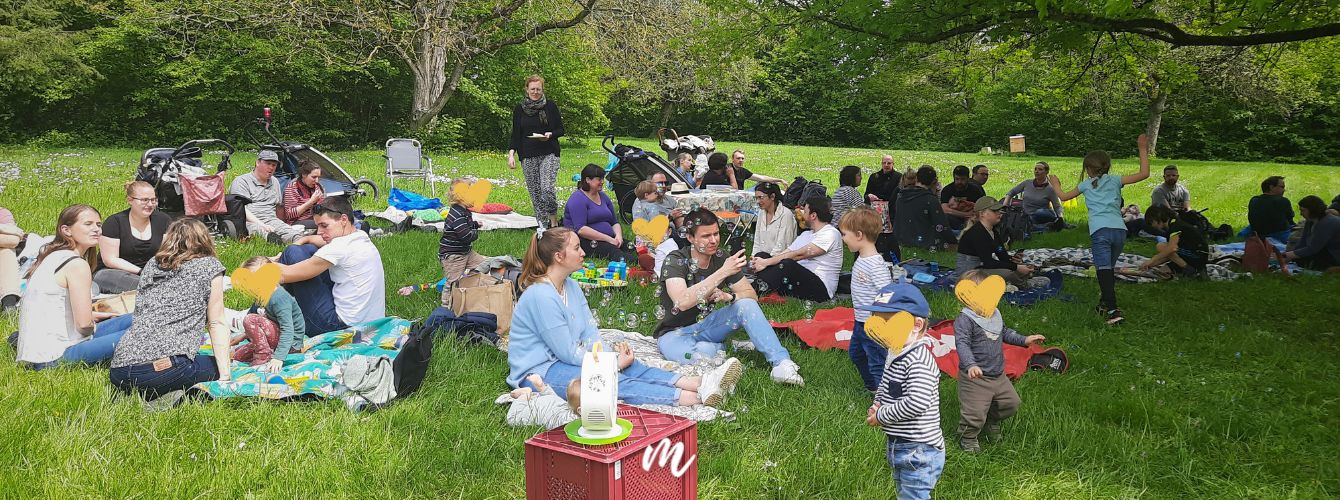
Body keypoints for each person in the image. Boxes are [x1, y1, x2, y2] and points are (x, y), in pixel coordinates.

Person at [508, 226, 741, 407]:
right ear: (559, 256)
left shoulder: (570, 286)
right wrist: (610, 363)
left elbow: (589, 331)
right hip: (540, 372)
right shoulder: (541, 296)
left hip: (562, 361)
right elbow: (567, 352)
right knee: (605, 379)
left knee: (628, 365)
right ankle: (693, 398)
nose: (583, 252)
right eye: (577, 248)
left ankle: (700, 383)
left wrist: (609, 355)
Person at [655, 210, 804, 385]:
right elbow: (681, 302)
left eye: (716, 233)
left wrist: (730, 296)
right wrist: (723, 272)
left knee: (745, 305)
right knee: (704, 353)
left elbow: (751, 296)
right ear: (690, 238)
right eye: (706, 236)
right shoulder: (675, 260)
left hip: (706, 325)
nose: (713, 240)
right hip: (674, 333)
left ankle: (781, 364)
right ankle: (729, 346)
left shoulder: (721, 257)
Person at [109, 218, 231, 400]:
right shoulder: (210, 266)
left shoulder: (152, 264)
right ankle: (167, 395)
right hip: (167, 369)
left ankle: (149, 394)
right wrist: (225, 375)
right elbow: (216, 322)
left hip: (119, 371)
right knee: (215, 365)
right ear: (205, 239)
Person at [16, 205, 134, 369]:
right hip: (56, 356)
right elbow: (84, 326)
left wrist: (92, 315)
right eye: (88, 224)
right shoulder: (76, 265)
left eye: (98, 225)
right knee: (146, 331)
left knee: (138, 318)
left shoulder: (52, 256)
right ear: (66, 230)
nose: (96, 230)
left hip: (38, 353)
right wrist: (91, 321)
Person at [1050, 134, 1151, 325]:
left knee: (1103, 271)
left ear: (1088, 168)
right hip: (1120, 231)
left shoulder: (1085, 184)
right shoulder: (1115, 180)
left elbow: (1063, 197)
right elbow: (1144, 173)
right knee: (1108, 270)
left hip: (1100, 232)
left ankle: (1113, 311)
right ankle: (1103, 304)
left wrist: (1056, 184)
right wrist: (1142, 149)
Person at [862, 280, 943, 499]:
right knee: (904, 492)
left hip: (919, 449)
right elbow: (887, 382)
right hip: (901, 442)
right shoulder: (896, 350)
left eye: (888, 321)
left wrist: (882, 415)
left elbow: (916, 403)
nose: (880, 327)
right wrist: (877, 403)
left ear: (916, 324)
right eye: (878, 320)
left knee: (913, 495)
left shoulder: (918, 361)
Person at [952, 270, 1046, 453]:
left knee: (1010, 403)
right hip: (975, 378)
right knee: (974, 413)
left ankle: (992, 420)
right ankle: (968, 437)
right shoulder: (965, 319)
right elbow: (962, 344)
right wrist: (971, 365)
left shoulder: (994, 314)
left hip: (998, 375)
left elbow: (1005, 332)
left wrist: (1024, 340)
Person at [275, 196, 386, 335]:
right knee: (308, 249)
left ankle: (257, 313)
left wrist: (259, 264)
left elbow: (284, 274)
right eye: (318, 226)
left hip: (337, 328)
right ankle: (274, 312)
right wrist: (305, 239)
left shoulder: (339, 247)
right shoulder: (359, 236)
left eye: (324, 225)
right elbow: (317, 241)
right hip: (370, 324)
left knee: (292, 253)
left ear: (343, 219)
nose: (320, 232)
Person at [751, 197, 843, 302]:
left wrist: (766, 263)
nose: (802, 214)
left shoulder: (831, 233)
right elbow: (786, 253)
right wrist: (763, 261)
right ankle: (763, 288)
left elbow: (799, 255)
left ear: (813, 215)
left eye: (805, 211)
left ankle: (751, 290)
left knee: (787, 264)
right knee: (762, 255)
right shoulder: (806, 234)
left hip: (820, 289)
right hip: (798, 281)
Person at [841, 207, 893, 392]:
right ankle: (872, 387)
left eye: (844, 234)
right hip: (860, 321)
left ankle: (884, 402)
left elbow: (887, 293)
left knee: (878, 362)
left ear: (859, 235)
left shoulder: (875, 264)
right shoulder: (862, 259)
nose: (843, 238)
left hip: (874, 324)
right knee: (856, 354)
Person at [508, 75, 566, 229]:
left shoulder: (550, 106)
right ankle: (542, 226)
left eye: (538, 89)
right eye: (532, 89)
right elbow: (516, 134)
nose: (535, 92)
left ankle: (553, 221)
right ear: (527, 90)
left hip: (549, 152)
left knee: (546, 188)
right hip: (527, 154)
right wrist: (511, 154)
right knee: (535, 193)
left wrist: (550, 134)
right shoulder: (519, 109)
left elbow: (561, 129)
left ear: (542, 90)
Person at [95, 181, 173, 293]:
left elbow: (168, 252)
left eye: (153, 200)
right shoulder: (115, 222)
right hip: (114, 273)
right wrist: (142, 272)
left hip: (152, 274)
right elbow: (110, 260)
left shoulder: (163, 220)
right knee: (146, 285)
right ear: (130, 200)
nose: (150, 204)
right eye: (144, 200)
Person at [955, 196, 1049, 289]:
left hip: (981, 268)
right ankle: (1024, 285)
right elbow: (988, 262)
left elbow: (1002, 255)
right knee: (1008, 273)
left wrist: (1013, 259)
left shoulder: (993, 231)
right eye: (994, 211)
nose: (999, 213)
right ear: (982, 213)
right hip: (969, 273)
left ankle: (1011, 283)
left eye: (999, 210)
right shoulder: (976, 233)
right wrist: (1016, 267)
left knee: (1016, 269)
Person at [230, 256, 306, 372]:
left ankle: (264, 355)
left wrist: (278, 358)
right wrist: (243, 336)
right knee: (237, 355)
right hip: (275, 338)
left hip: (290, 344)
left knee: (250, 319)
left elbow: (288, 329)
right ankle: (264, 351)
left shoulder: (279, 298)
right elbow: (268, 321)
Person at [230, 150, 304, 245]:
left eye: (274, 165)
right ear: (257, 162)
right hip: (249, 221)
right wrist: (262, 225)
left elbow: (278, 207)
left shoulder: (275, 181)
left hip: (271, 220)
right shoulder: (242, 181)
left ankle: (299, 243)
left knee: (294, 235)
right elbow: (241, 209)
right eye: (268, 163)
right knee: (261, 233)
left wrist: (283, 224)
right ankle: (273, 240)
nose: (271, 168)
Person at [562, 163, 632, 261]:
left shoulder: (603, 196)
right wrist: (609, 239)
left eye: (602, 179)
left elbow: (614, 222)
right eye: (599, 179)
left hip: (609, 238)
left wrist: (618, 236)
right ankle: (641, 264)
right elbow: (581, 229)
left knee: (632, 247)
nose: (602, 182)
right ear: (588, 180)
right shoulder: (577, 199)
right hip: (586, 241)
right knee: (616, 254)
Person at [438, 185, 490, 301]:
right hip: (453, 256)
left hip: (465, 252)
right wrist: (475, 232)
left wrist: (475, 224)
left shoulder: (463, 211)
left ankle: (468, 287)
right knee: (452, 283)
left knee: (483, 265)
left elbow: (465, 225)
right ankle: (446, 307)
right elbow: (466, 236)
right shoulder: (457, 215)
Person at [894, 166, 956, 250]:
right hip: (925, 242)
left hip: (902, 239)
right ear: (934, 181)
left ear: (916, 178)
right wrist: (954, 241)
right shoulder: (930, 199)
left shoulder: (901, 196)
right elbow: (941, 225)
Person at [1139, 206, 1209, 278]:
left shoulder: (1175, 227)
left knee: (1161, 246)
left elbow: (1172, 249)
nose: (1153, 226)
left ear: (1158, 218)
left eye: (1152, 222)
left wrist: (1152, 259)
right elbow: (1171, 255)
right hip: (1190, 255)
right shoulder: (1174, 223)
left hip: (1198, 255)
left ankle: (1189, 269)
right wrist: (1150, 264)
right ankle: (1192, 269)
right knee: (1163, 270)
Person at [1283, 195, 1340, 272]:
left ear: (1313, 210)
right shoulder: (1310, 221)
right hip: (1325, 249)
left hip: (1335, 253)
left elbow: (1313, 248)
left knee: (1307, 260)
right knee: (1299, 259)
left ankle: (1333, 269)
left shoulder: (1327, 222)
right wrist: (1290, 255)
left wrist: (1287, 255)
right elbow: (1302, 241)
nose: (1300, 214)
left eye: (1303, 211)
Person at [1004, 161, 1065, 228]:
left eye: (1040, 169)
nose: (1036, 171)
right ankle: (1045, 226)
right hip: (1026, 214)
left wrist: (1060, 218)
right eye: (1035, 169)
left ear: (1046, 172)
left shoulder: (1050, 189)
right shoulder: (1027, 183)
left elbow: (1057, 206)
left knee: (1040, 213)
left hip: (1042, 215)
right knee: (1022, 220)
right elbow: (1011, 192)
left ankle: (1054, 224)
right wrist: (1005, 206)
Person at [865, 156, 902, 258]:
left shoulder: (898, 177)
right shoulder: (874, 176)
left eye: (889, 163)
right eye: (884, 163)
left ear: (893, 164)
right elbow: (867, 193)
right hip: (875, 207)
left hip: (891, 207)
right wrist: (869, 196)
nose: (886, 165)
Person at [750, 182, 798, 257]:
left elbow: (782, 246)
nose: (758, 201)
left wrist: (766, 262)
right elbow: (757, 240)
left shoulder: (786, 215)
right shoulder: (761, 212)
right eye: (756, 198)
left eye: (761, 197)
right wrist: (753, 257)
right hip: (761, 259)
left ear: (772, 196)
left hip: (778, 260)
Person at [1247, 176, 1294, 244]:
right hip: (1280, 235)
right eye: (1282, 187)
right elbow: (1290, 220)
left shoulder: (1254, 200)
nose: (1284, 190)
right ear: (1271, 187)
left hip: (1258, 235)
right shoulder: (1283, 201)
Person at [281, 159, 325, 230]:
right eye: (314, 177)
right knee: (323, 224)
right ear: (304, 175)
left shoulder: (317, 187)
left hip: (314, 218)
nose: (317, 180)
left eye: (318, 177)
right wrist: (311, 202)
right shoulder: (292, 188)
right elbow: (289, 215)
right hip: (297, 222)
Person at [940, 165, 986, 231]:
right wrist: (965, 214)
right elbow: (945, 209)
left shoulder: (975, 190)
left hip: (971, 220)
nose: (959, 182)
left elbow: (980, 208)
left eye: (962, 179)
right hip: (953, 219)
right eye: (957, 179)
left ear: (968, 178)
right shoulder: (947, 190)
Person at [0, 207, 22, 310]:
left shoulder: (2, 213)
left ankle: (9, 303)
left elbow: (13, 241)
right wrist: (2, 228)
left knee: (6, 251)